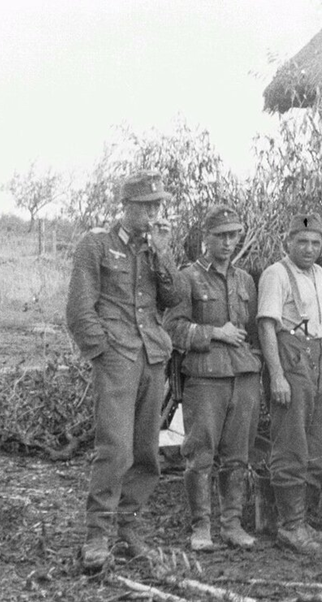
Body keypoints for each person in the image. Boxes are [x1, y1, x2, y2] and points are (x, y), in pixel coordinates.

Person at [66, 170, 184, 569]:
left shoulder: (154, 250)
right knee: (115, 449)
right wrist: (103, 352)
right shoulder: (96, 244)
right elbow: (80, 309)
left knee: (147, 453)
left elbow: (173, 298)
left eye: (158, 206)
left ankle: (128, 529)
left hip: (152, 356)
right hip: (117, 358)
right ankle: (97, 536)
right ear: (126, 207)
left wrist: (163, 254)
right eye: (146, 206)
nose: (153, 214)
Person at [164, 205, 261, 552]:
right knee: (200, 455)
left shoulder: (245, 280)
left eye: (234, 235)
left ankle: (232, 525)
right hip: (205, 378)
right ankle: (201, 528)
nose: (228, 242)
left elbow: (254, 332)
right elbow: (172, 329)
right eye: (220, 236)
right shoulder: (187, 278)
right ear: (205, 238)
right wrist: (215, 333)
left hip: (243, 378)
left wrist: (256, 364)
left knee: (238, 456)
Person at [256, 214, 322, 556]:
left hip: (320, 356)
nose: (309, 249)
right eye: (302, 242)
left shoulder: (319, 273)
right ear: (288, 241)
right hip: (291, 359)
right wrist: (276, 374)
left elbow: (320, 312)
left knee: (321, 443)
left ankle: (305, 520)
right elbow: (267, 327)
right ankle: (290, 526)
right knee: (292, 443)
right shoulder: (275, 275)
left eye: (316, 243)